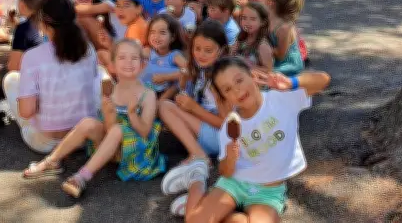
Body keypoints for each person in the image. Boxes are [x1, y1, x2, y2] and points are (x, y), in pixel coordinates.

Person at [163, 58, 331, 220]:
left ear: (252, 75)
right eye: (227, 89)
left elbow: (323, 79)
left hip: (268, 192)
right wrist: (230, 158)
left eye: (239, 80)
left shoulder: (281, 99)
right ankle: (196, 177)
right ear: (224, 98)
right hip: (235, 183)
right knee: (195, 220)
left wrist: (291, 82)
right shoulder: (230, 125)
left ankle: (212, 208)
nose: (236, 90)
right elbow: (225, 171)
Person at [23, 39, 166, 199]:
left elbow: (145, 132)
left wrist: (132, 114)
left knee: (119, 129)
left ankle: (82, 177)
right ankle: (51, 161)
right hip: (114, 148)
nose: (128, 62)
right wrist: (108, 115)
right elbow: (110, 129)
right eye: (122, 57)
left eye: (134, 58)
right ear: (112, 65)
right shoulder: (113, 88)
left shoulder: (148, 95)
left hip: (136, 153)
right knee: (88, 123)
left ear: (142, 65)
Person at [3, 0, 100, 153]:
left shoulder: (32, 56)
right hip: (83, 138)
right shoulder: (88, 48)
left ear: (43, 24)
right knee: (99, 74)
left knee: (11, 79)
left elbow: (26, 112)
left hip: (46, 141)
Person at [157, 21, 229, 166]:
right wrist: (183, 85)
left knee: (165, 107)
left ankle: (199, 154)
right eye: (197, 48)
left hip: (221, 137)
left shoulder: (220, 79)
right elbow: (194, 100)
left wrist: (194, 108)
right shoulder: (201, 71)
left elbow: (227, 124)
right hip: (206, 130)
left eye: (208, 51)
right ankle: (196, 151)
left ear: (221, 51)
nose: (201, 55)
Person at [142, 14, 187, 100]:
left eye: (162, 32)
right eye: (152, 32)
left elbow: (189, 71)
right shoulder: (148, 52)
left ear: (172, 37)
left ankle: (159, 104)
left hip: (164, 94)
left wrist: (165, 77)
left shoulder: (174, 55)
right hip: (147, 91)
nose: (156, 36)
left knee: (176, 84)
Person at [266, 0, 305, 76]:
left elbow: (281, 55)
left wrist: (264, 48)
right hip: (273, 60)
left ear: (270, 3)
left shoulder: (284, 27)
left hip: (288, 65)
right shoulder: (267, 17)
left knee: (262, 74)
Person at [6, 0, 47, 72]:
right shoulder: (54, 22)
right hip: (57, 75)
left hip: (36, 78)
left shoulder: (23, 29)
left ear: (22, 4)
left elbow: (14, 67)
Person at [234, 2, 274, 71]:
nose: (247, 22)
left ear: (263, 22)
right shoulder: (242, 38)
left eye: (252, 19)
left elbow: (268, 70)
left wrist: (248, 66)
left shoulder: (262, 45)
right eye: (244, 18)